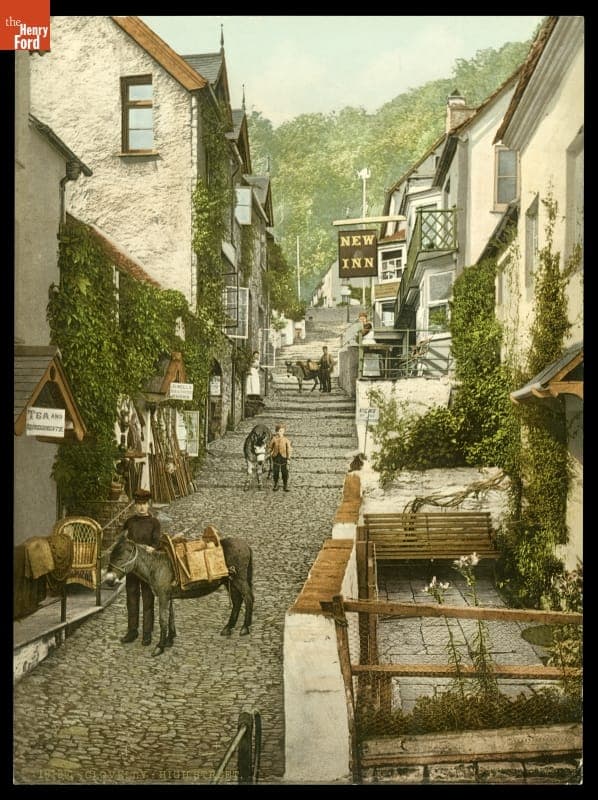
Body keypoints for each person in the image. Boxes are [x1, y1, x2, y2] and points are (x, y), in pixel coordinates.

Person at [120, 488, 161, 646]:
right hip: (132, 568)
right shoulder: (129, 522)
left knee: (148, 599)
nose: (141, 507)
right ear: (134, 505)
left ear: (149, 504)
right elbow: (123, 541)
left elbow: (156, 542)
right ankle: (132, 631)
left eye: (144, 504)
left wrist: (152, 548)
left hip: (147, 568)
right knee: (131, 599)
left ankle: (147, 633)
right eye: (138, 504)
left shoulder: (154, 523)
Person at [268, 423, 292, 492]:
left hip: (284, 458)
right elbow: (270, 447)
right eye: (279, 431)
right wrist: (270, 452)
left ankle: (285, 485)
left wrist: (288, 458)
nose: (280, 433)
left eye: (282, 431)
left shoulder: (286, 440)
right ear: (276, 432)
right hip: (276, 457)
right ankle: (276, 484)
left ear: (284, 431)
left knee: (285, 472)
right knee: (276, 472)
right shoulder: (274, 439)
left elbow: (289, 449)